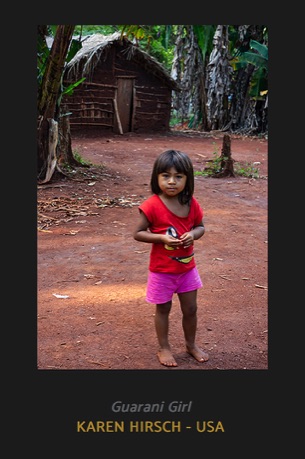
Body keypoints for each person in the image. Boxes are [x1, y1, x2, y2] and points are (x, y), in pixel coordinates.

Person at [133, 149, 209, 367]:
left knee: (191, 309)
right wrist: (161, 238)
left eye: (179, 176)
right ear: (157, 177)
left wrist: (192, 234)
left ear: (188, 179)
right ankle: (164, 348)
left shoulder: (191, 203)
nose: (172, 182)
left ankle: (190, 344)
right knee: (163, 309)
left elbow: (200, 227)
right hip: (161, 271)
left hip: (187, 269)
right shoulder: (151, 206)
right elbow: (138, 233)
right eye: (166, 176)